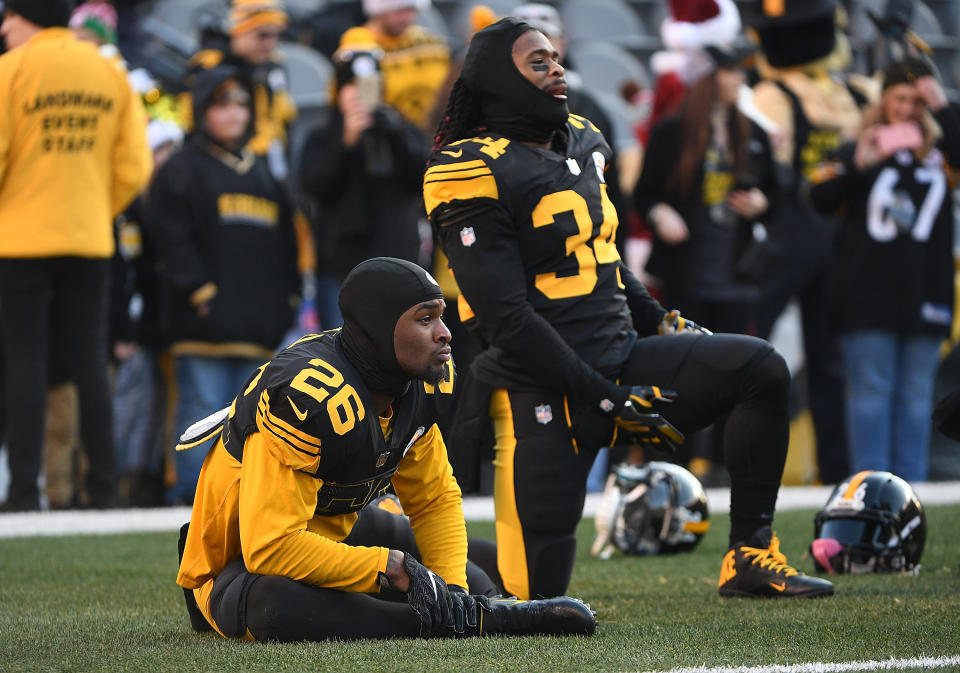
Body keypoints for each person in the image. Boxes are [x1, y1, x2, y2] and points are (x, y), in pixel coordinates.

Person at [424, 17, 834, 600]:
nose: (556, 68)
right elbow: (505, 318)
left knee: (759, 370)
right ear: (498, 80)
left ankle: (749, 555)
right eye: (537, 62)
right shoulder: (468, 167)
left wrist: (658, 319)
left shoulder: (584, 141)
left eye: (556, 57)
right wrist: (602, 396)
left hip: (620, 359)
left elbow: (606, 262)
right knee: (531, 601)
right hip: (540, 389)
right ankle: (402, 550)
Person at [175, 257, 596, 641]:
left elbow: (433, 498)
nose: (444, 333)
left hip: (334, 523)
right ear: (379, 328)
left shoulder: (418, 382)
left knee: (467, 567)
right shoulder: (307, 395)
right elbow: (270, 547)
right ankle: (451, 623)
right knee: (279, 607)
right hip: (239, 558)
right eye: (425, 319)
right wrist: (387, 568)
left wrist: (453, 592)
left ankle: (471, 612)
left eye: (441, 317)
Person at [0, 0, 152, 511]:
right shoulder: (107, 70)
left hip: (19, 243)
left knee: (24, 364)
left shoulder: (10, 70)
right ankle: (103, 490)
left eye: (8, 17)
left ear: (27, 16)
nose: (3, 27)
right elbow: (135, 162)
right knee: (90, 362)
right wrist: (94, 208)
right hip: (89, 240)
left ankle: (23, 492)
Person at [147, 66, 300, 505]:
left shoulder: (265, 174)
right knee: (202, 413)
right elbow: (170, 238)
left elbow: (288, 245)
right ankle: (193, 500)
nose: (234, 114)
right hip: (202, 326)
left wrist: (286, 299)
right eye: (222, 105)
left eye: (241, 105)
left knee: (250, 423)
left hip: (257, 327)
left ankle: (239, 503)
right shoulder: (182, 167)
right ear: (201, 111)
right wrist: (200, 291)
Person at [809, 57, 959, 483]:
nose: (909, 109)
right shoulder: (858, 147)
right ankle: (869, 489)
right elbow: (819, 197)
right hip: (866, 295)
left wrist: (942, 105)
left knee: (915, 397)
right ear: (884, 101)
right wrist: (860, 164)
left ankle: (911, 490)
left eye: (918, 101)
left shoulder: (941, 156)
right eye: (900, 99)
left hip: (925, 292)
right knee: (871, 394)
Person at [299, 44, 429, 328]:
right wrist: (345, 144)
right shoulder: (322, 136)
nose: (362, 96)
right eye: (353, 88)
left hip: (397, 260)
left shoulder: (402, 131)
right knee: (339, 346)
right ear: (338, 91)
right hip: (340, 267)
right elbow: (314, 185)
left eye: (369, 87)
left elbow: (423, 178)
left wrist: (395, 135)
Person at [181, 0, 297, 179]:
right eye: (263, 35)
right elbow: (191, 124)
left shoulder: (274, 66)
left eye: (277, 36)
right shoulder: (209, 65)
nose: (271, 44)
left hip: (268, 167)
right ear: (239, 30)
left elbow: (284, 121)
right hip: (220, 167)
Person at [338, 0, 450, 135]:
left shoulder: (430, 41)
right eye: (399, 10)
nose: (407, 17)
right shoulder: (359, 46)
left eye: (411, 9)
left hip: (435, 132)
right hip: (389, 138)